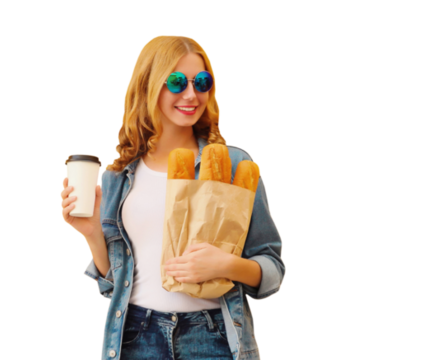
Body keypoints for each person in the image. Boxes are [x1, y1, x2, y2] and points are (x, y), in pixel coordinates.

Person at [60, 34, 285, 360]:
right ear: (149, 86)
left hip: (215, 335)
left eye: (202, 82)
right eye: (177, 82)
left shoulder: (234, 165)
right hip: (134, 334)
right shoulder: (117, 176)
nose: (192, 94)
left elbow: (272, 269)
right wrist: (92, 233)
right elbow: (111, 286)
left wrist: (226, 265)